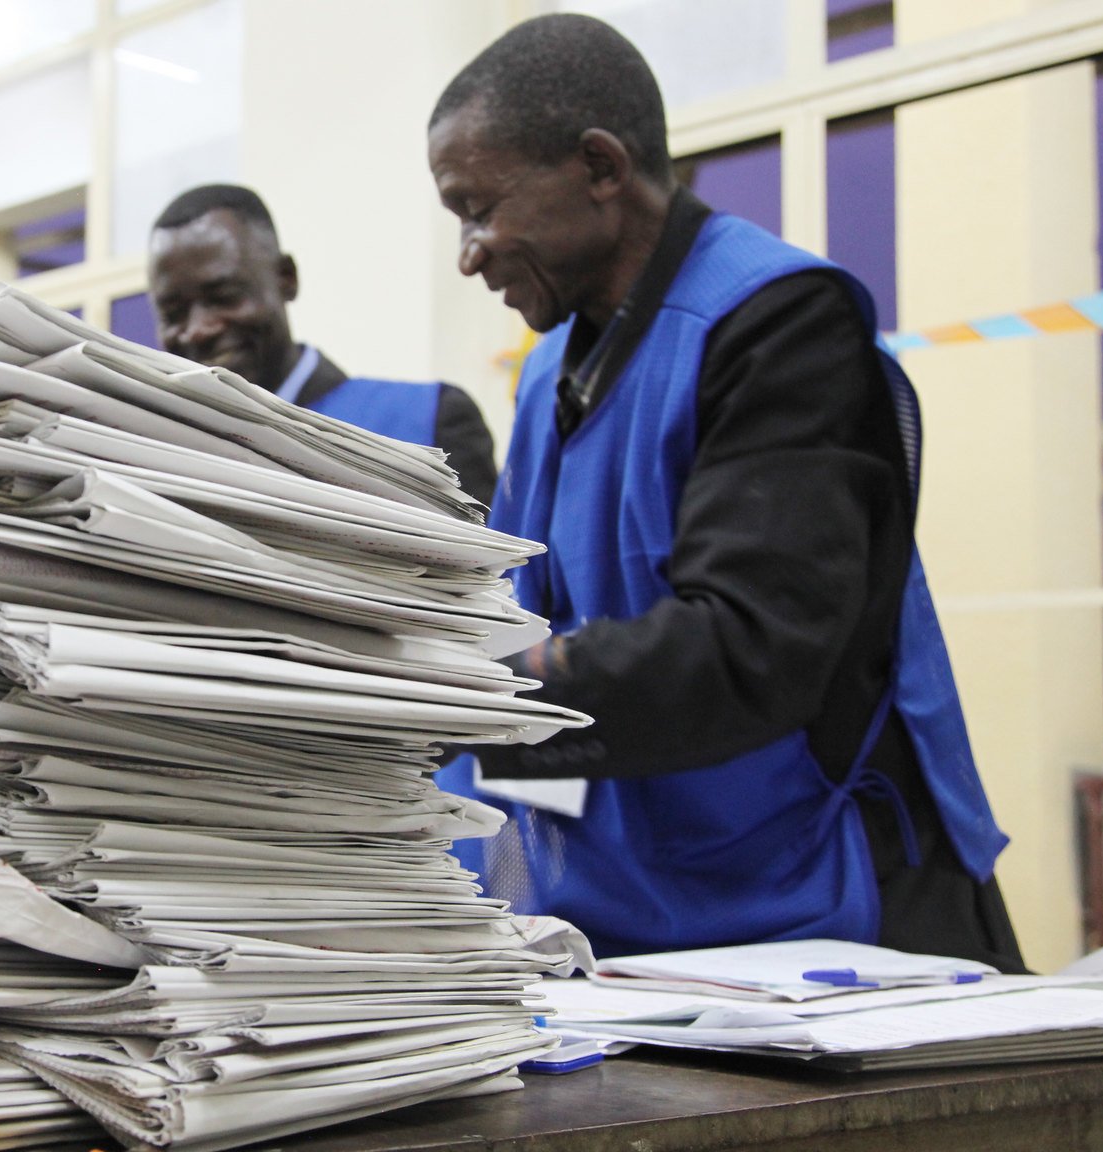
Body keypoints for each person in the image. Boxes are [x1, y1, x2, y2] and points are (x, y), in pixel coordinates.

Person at [425, 14, 1024, 969]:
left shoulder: (782, 322)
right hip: (647, 904)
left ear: (601, 167)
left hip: (828, 905)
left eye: (479, 209)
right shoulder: (546, 374)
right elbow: (521, 616)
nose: (469, 253)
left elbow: (749, 648)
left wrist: (453, 692)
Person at [148, 183, 499, 507]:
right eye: (173, 314)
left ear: (286, 278)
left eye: (224, 297)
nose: (198, 330)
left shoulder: (427, 420)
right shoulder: (155, 451)